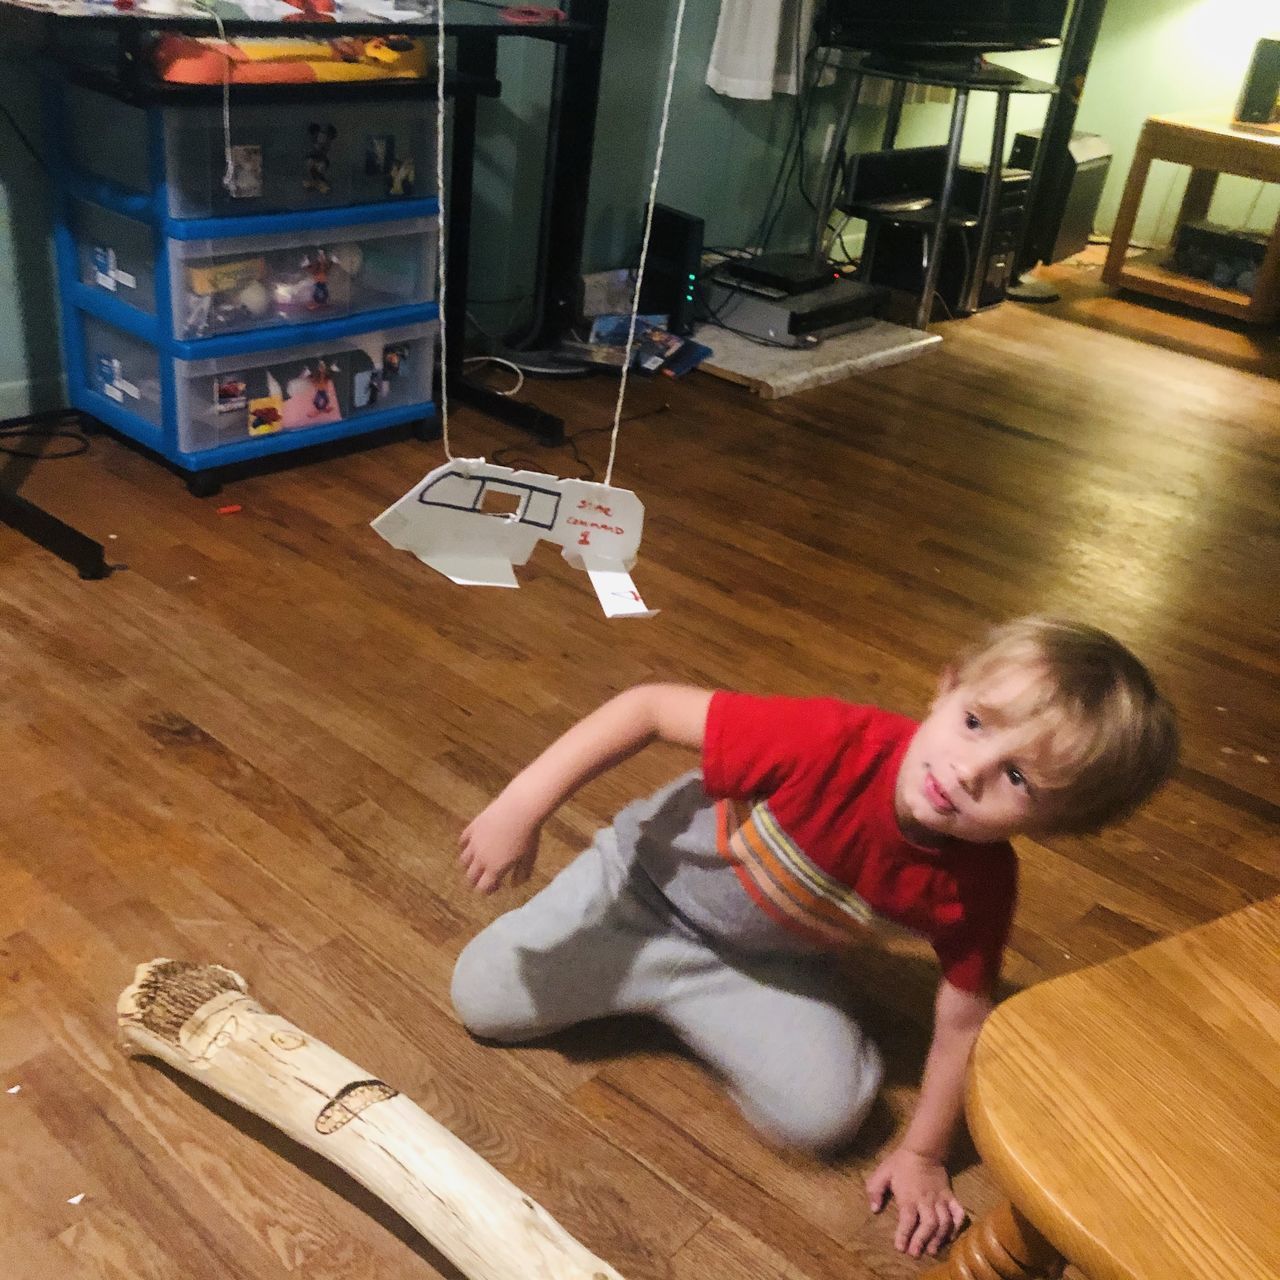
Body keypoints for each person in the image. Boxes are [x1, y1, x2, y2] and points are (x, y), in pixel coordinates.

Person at [450, 617, 1179, 1259]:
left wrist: (924, 1152)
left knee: (828, 1116)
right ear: (945, 688)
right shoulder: (830, 742)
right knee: (481, 999)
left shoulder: (978, 885)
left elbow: (964, 1021)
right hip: (641, 891)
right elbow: (647, 707)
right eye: (976, 724)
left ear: (1050, 827)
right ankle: (639, 970)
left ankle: (674, 993)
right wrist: (522, 805)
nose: (968, 771)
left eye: (1017, 777)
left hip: (768, 961)